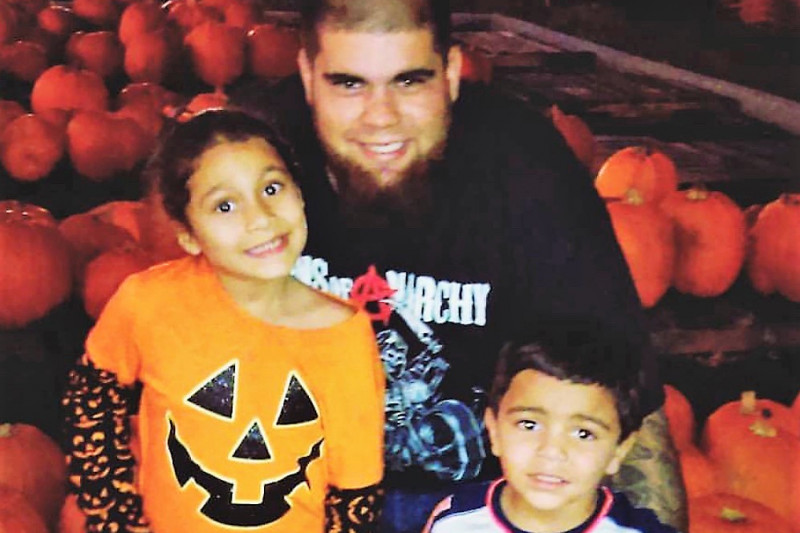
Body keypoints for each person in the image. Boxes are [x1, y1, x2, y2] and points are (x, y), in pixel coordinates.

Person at [230, 1, 687, 531]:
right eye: (349, 84)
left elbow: (624, 396)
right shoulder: (249, 159)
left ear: (450, 73)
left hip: (483, 510)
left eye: (409, 81)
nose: (381, 117)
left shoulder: (526, 171)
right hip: (289, 493)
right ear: (308, 76)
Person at [61, 109, 385, 533]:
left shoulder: (344, 336)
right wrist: (117, 518)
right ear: (188, 234)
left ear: (300, 194)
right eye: (225, 205)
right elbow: (92, 398)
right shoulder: (149, 302)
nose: (260, 217)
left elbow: (355, 494)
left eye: (271, 188)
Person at [422, 318, 679, 533]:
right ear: (495, 431)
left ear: (619, 450)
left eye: (583, 433)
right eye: (529, 424)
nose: (551, 451)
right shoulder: (454, 522)